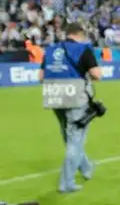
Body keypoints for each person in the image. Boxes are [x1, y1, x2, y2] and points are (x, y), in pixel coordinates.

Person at [39, 22, 101, 193]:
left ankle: (86, 168)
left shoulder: (51, 49)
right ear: (79, 34)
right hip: (75, 96)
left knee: (69, 136)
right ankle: (66, 183)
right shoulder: (83, 49)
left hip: (54, 95)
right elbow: (97, 75)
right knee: (76, 139)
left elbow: (41, 76)